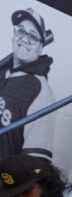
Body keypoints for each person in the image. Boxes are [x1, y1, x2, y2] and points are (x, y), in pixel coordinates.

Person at [0, 8, 57, 162]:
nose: (25, 39)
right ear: (13, 36)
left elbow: (35, 163)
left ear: (41, 46)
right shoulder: (2, 73)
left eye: (33, 36)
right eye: (21, 32)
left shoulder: (41, 91)